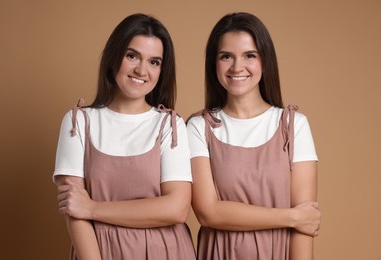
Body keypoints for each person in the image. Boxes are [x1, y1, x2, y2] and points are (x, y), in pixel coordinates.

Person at [53, 13, 195, 260]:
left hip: (168, 252)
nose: (141, 69)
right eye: (132, 56)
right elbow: (74, 211)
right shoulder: (77, 123)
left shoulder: (170, 126)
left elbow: (176, 209)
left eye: (154, 62)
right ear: (113, 58)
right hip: (97, 252)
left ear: (162, 70)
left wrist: (93, 208)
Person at [187, 12, 321, 260]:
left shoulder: (294, 126)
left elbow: (306, 226)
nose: (237, 67)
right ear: (213, 63)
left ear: (265, 61)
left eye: (249, 55)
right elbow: (209, 213)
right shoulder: (198, 127)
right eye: (226, 56)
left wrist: (300, 219)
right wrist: (290, 217)